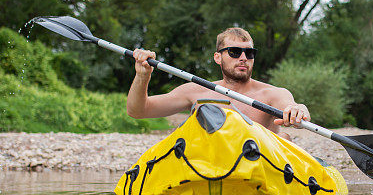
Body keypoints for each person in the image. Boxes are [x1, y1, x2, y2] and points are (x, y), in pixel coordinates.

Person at [126, 27, 310, 137]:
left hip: (257, 171)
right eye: (234, 52)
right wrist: (142, 76)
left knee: (285, 138)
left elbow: (293, 107)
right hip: (207, 167)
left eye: (250, 53)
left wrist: (298, 110)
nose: (243, 58)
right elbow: (138, 111)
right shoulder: (195, 91)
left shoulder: (273, 94)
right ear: (217, 57)